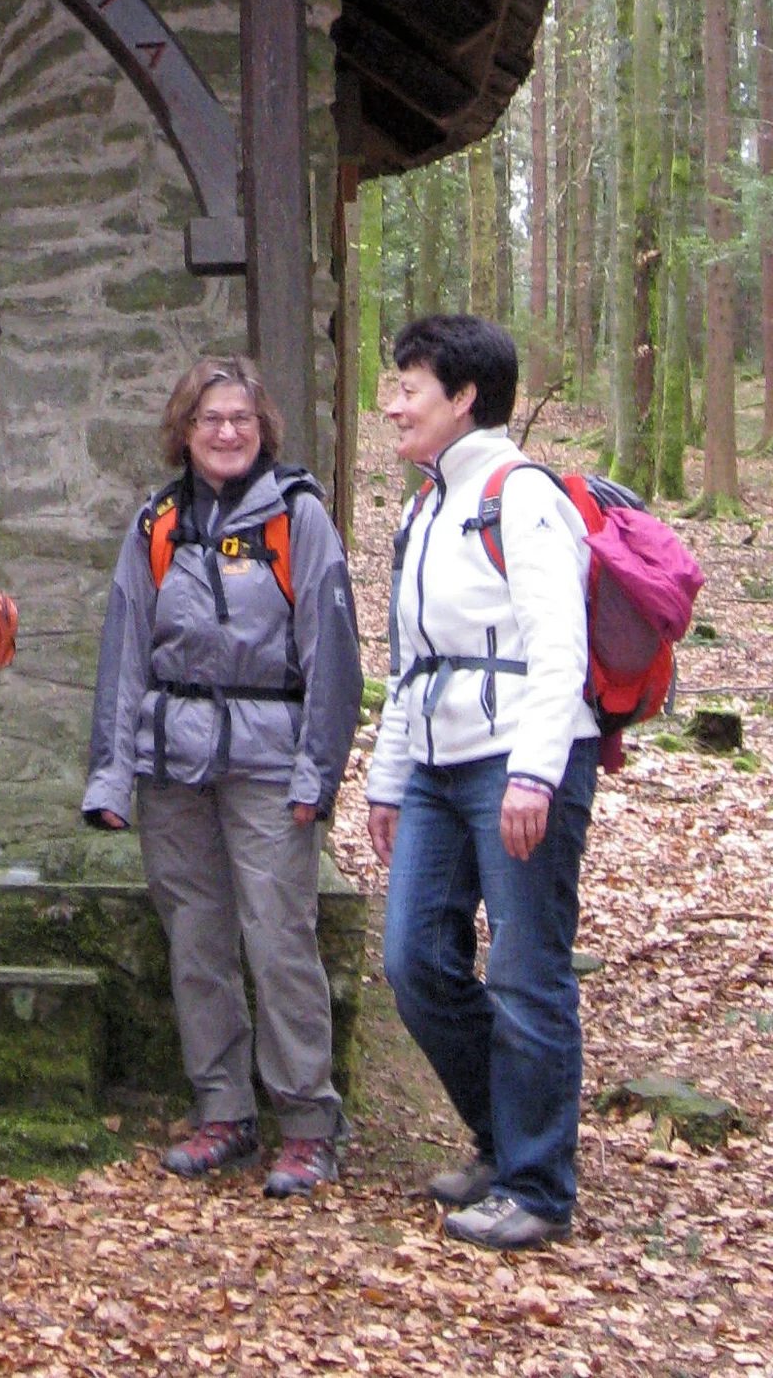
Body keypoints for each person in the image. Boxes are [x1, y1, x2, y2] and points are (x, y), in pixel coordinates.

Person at [83, 355, 361, 1196]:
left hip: (269, 766)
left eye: (242, 418)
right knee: (197, 940)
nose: (228, 433)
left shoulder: (297, 519)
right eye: (211, 420)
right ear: (185, 431)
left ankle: (308, 1121)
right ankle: (222, 1111)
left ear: (263, 427)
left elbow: (332, 656)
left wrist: (320, 775)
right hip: (173, 766)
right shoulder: (157, 522)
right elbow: (124, 649)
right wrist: (110, 777)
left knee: (278, 938)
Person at [368, 313, 598, 1250]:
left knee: (525, 972)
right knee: (415, 961)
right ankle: (503, 1139)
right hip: (432, 764)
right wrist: (387, 776)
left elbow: (559, 646)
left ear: (463, 398)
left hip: (519, 760)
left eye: (409, 388)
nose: (392, 406)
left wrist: (535, 774)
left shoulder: (522, 496)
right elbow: (413, 657)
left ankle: (537, 1185)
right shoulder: (429, 504)